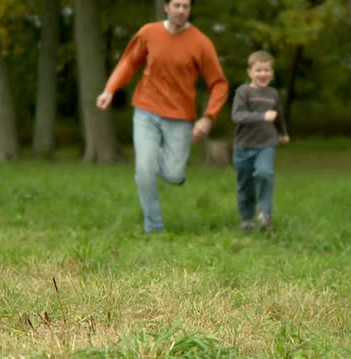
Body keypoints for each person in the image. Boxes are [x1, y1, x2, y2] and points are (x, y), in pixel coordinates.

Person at [96, 0, 228, 233]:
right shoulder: (149, 32)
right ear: (166, 7)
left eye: (186, 6)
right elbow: (129, 62)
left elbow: (218, 83)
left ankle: (160, 161)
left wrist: (208, 117)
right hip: (146, 110)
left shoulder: (201, 42)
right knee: (144, 171)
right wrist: (110, 88)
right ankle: (154, 227)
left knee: (174, 175)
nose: (181, 10)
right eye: (176, 5)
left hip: (180, 117)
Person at [231, 50, 289, 232]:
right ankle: (247, 219)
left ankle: (264, 213)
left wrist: (282, 133)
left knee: (265, 173)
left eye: (267, 70)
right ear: (250, 72)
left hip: (266, 144)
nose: (263, 74)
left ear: (271, 73)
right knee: (245, 184)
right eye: (258, 70)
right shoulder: (243, 92)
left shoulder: (273, 94)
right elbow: (237, 116)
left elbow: (279, 116)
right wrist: (262, 115)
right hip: (243, 145)